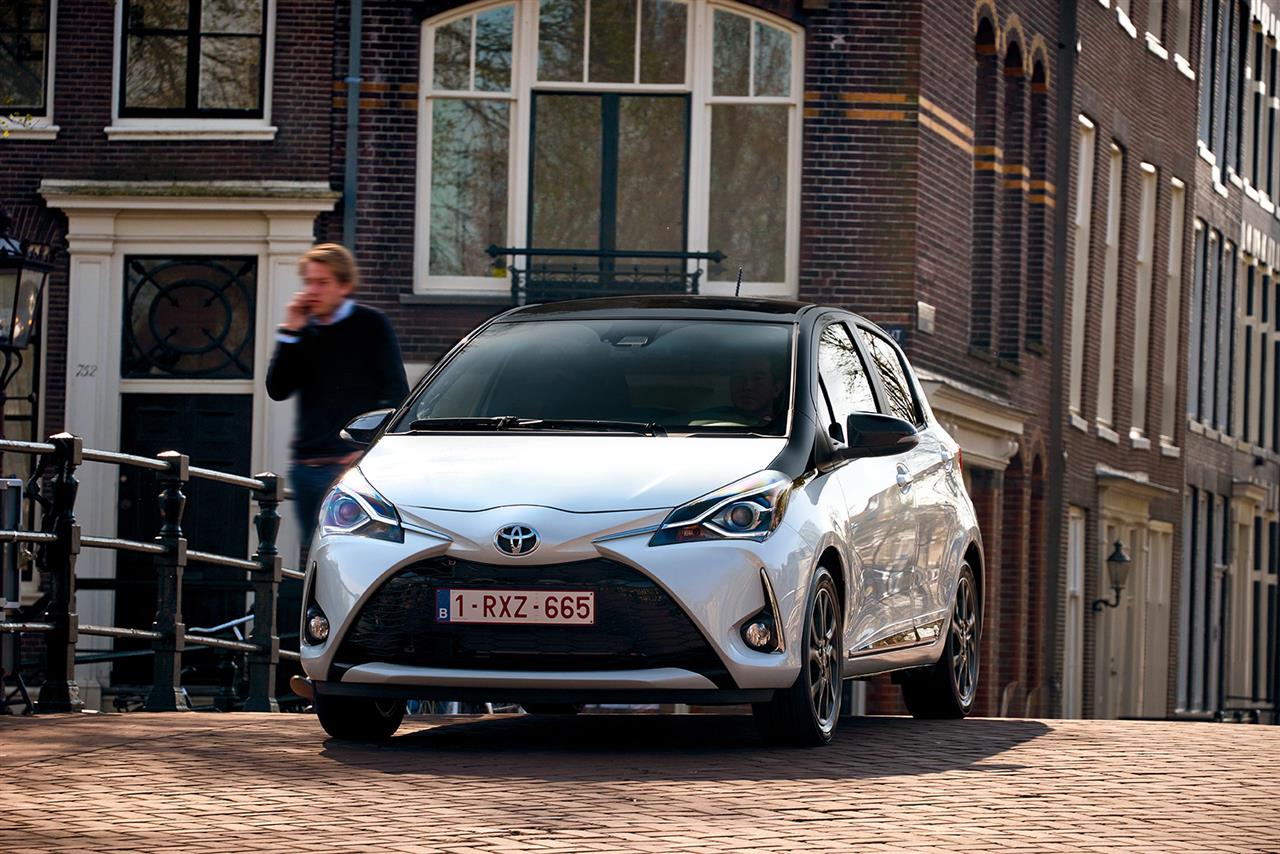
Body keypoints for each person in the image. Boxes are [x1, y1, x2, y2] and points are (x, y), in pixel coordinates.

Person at [266, 243, 409, 550]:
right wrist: (289, 331)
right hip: (307, 468)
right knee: (312, 555)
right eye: (309, 282)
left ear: (344, 286)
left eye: (322, 282)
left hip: (350, 468)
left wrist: (367, 451)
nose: (312, 290)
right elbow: (277, 389)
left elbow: (398, 394)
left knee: (353, 553)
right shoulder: (303, 331)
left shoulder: (371, 325)